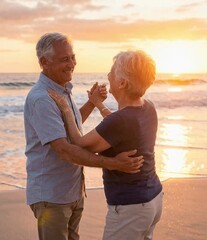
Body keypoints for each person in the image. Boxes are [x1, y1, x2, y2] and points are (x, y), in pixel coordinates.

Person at [24, 32, 144, 240]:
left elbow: (71, 126)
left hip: (72, 191)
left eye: (72, 57)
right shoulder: (42, 99)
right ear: (44, 62)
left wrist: (92, 103)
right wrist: (114, 163)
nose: (72, 64)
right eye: (65, 59)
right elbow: (64, 150)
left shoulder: (61, 90)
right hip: (52, 196)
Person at [48, 50, 163, 240]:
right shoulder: (147, 106)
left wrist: (66, 110)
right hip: (153, 200)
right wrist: (97, 104)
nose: (108, 75)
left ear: (122, 83)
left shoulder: (120, 121)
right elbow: (119, 126)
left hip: (130, 207)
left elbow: (80, 143)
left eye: (112, 71)